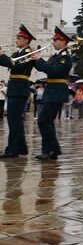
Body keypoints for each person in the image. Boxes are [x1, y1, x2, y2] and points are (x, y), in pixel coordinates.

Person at [31, 26, 72, 161]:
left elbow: (53, 70)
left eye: (55, 40)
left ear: (63, 42)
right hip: (52, 91)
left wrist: (39, 60)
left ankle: (52, 150)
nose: (53, 42)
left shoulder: (65, 57)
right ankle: (50, 150)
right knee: (46, 121)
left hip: (57, 91)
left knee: (44, 120)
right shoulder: (57, 55)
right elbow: (46, 69)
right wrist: (34, 59)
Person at [0, 25, 37, 158]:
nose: (16, 40)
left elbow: (15, 66)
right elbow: (8, 63)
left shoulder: (29, 53)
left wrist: (2, 55)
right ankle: (20, 148)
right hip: (15, 87)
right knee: (14, 119)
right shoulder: (17, 53)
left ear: (26, 40)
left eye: (19, 38)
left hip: (20, 88)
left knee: (13, 119)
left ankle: (12, 149)